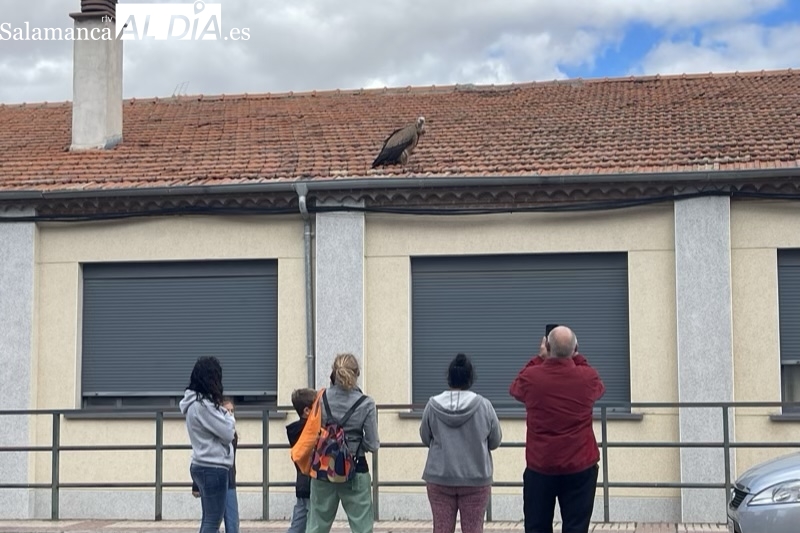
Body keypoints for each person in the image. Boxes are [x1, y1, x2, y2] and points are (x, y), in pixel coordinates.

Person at [509, 326, 606, 533]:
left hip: (540, 466)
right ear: (575, 348)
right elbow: (599, 387)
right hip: (580, 465)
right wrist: (577, 357)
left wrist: (539, 358)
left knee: (537, 527)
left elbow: (515, 388)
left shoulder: (531, 377)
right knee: (576, 527)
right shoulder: (587, 377)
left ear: (548, 346)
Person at [419, 353, 502, 533]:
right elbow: (495, 441)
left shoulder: (432, 405)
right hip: (476, 478)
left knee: (441, 528)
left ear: (449, 377)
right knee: (473, 529)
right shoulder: (484, 406)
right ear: (470, 378)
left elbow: (425, 437)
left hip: (439, 476)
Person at [306, 353, 380, 533]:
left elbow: (312, 432)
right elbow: (373, 444)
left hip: (323, 468)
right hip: (356, 468)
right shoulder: (366, 403)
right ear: (357, 374)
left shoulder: (320, 398)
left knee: (316, 525)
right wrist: (353, 446)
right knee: (362, 527)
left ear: (334, 373)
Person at [180, 356, 236, 533]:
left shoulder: (195, 404)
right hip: (213, 467)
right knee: (213, 522)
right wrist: (229, 416)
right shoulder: (202, 406)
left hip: (202, 465)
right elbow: (228, 433)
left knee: (208, 519)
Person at [192, 396, 239, 533]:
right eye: (226, 411)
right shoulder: (212, 430)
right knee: (211, 521)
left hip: (229, 481)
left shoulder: (232, 433)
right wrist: (196, 485)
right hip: (213, 481)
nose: (230, 414)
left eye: (232, 411)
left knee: (232, 523)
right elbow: (200, 456)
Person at [285, 388, 317, 533]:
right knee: (306, 523)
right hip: (308, 483)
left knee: (301, 521)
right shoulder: (302, 430)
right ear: (307, 411)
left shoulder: (297, 429)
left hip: (303, 483)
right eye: (316, 407)